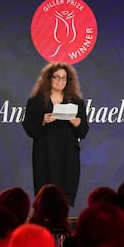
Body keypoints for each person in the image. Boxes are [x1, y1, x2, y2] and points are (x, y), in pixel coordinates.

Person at [22, 62, 89, 206]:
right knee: (45, 195)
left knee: (65, 193)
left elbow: (83, 132)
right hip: (44, 153)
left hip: (67, 154)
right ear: (48, 78)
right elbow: (29, 128)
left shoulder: (76, 102)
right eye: (57, 77)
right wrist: (43, 121)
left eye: (64, 78)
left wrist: (78, 124)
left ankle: (62, 222)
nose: (60, 81)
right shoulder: (35, 102)